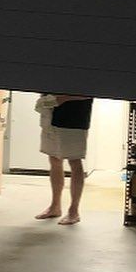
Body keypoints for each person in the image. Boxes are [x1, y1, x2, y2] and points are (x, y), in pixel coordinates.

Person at [34, 93, 94, 226]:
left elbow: (90, 93)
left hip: (75, 120)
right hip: (51, 117)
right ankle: (55, 206)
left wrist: (64, 98)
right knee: (54, 159)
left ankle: (74, 211)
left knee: (75, 161)